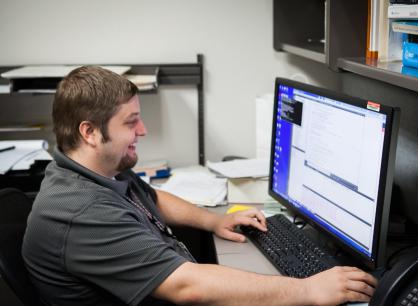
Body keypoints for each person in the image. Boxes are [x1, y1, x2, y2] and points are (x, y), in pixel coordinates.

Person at [23, 66, 377, 306]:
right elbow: (185, 286)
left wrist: (213, 221)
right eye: (131, 122)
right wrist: (307, 290)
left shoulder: (94, 168)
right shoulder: (80, 211)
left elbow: (150, 198)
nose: (143, 131)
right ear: (89, 132)